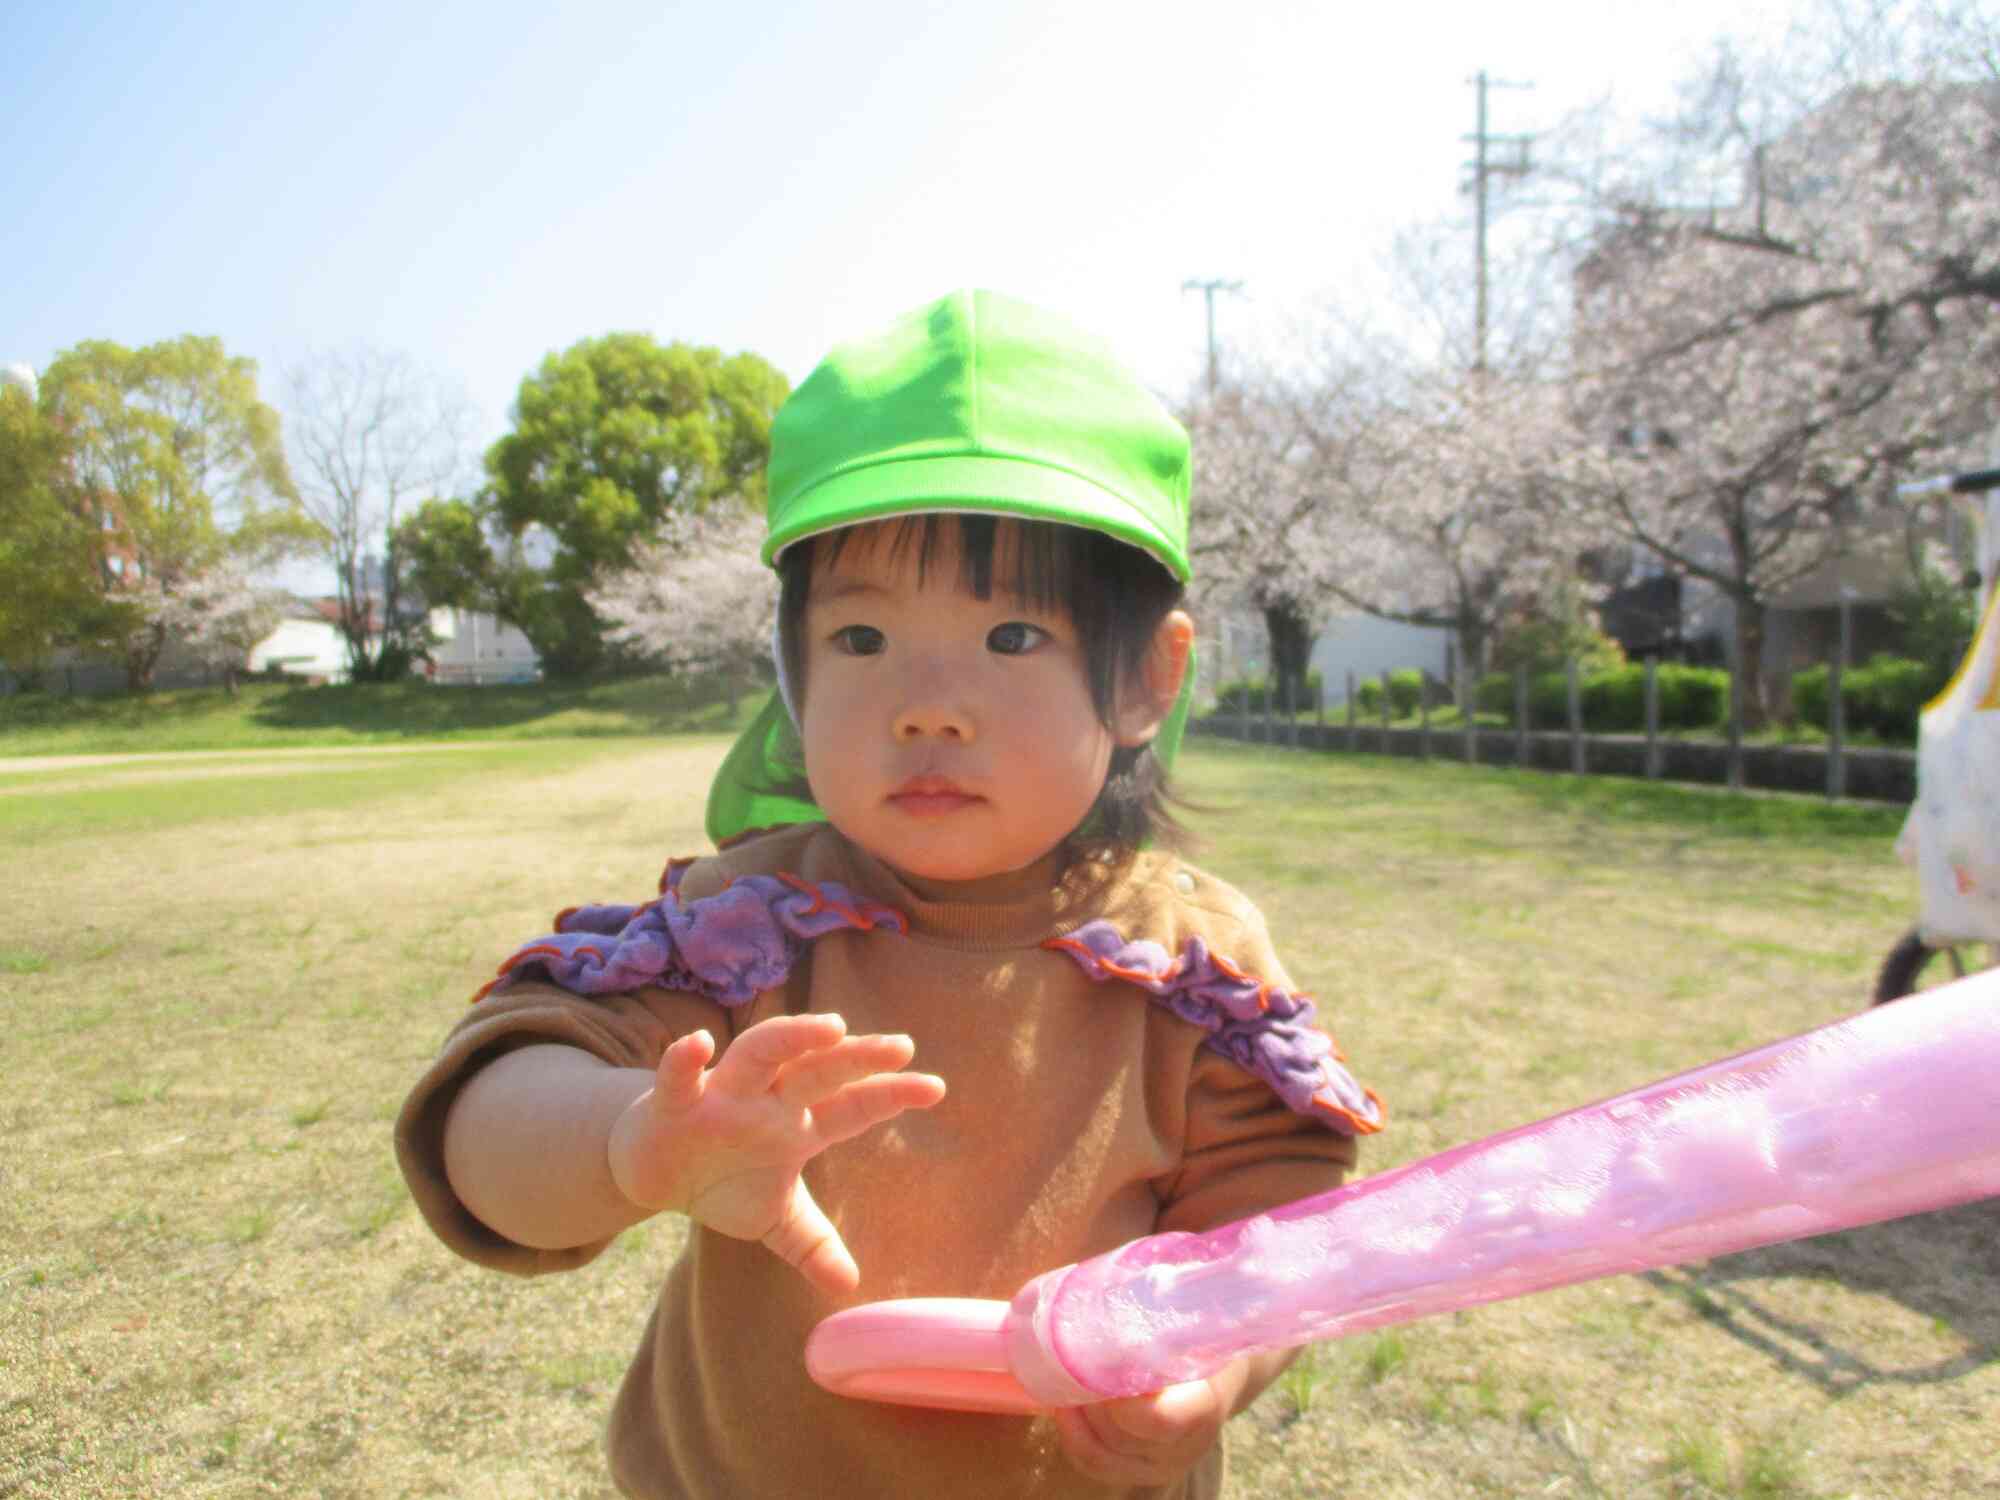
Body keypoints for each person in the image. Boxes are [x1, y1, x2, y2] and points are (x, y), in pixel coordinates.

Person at [394, 289, 1385, 1499]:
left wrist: (1211, 1362)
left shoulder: (1189, 962)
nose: (926, 702)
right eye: (859, 641)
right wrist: (633, 1144)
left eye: (1011, 636)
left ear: (1145, 678)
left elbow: (1277, 1209)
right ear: (793, 670)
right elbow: (488, 1115)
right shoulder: (746, 930)